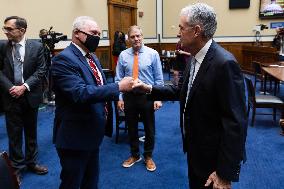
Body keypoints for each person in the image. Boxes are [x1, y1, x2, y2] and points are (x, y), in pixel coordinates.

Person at [133, 3, 247, 189]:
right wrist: (149, 88)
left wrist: (225, 172)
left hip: (213, 161)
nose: (178, 32)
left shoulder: (224, 64)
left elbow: (236, 122)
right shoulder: (195, 57)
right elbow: (182, 91)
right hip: (195, 149)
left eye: (181, 27)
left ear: (196, 31)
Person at [51, 16, 133, 189]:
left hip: (92, 132)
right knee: (72, 182)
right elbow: (80, 93)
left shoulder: (91, 56)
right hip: (74, 136)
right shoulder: (63, 60)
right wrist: (118, 87)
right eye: (93, 33)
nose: (97, 36)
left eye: (98, 33)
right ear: (76, 34)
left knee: (91, 181)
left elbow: (99, 86)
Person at [0, 16, 48, 181]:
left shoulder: (37, 46)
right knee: (14, 135)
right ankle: (16, 168)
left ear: (22, 30)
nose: (5, 31)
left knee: (31, 132)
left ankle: (32, 162)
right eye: (4, 28)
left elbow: (41, 70)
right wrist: (11, 88)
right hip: (11, 96)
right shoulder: (2, 46)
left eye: (9, 29)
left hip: (30, 96)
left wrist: (24, 87)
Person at [115, 25, 164, 172]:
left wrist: (158, 98)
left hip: (147, 96)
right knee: (132, 128)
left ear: (142, 36)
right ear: (128, 39)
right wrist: (120, 98)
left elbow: (159, 78)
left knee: (149, 129)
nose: (136, 39)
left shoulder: (152, 54)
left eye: (138, 36)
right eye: (133, 37)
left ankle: (148, 156)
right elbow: (118, 79)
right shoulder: (123, 55)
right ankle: (135, 155)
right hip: (129, 97)